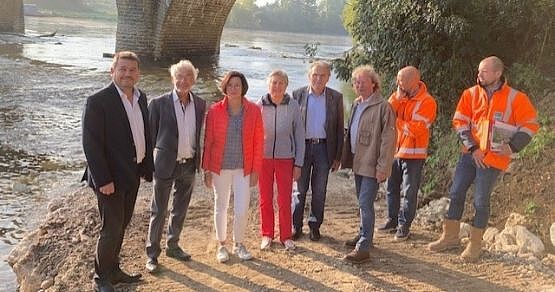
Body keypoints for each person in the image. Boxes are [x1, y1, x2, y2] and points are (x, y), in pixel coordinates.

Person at [428, 56, 539, 262]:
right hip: (470, 154)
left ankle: (475, 245)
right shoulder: (470, 94)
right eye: (479, 71)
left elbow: (531, 124)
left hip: (494, 159)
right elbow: (460, 122)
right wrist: (473, 148)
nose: (479, 75)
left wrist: (513, 146)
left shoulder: (516, 98)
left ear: (497, 74)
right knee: (456, 192)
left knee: (480, 200)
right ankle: (450, 237)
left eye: (484, 72)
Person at [82, 51, 153, 292]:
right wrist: (103, 180)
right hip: (109, 178)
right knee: (110, 227)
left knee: (122, 224)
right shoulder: (98, 100)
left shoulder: (141, 97)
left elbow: (144, 134)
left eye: (132, 70)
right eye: (122, 69)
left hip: (131, 174)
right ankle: (101, 277)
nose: (127, 74)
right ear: (112, 71)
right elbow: (90, 144)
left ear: (138, 74)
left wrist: (145, 167)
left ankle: (114, 270)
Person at [145, 60, 206, 273]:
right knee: (158, 210)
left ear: (194, 80)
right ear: (173, 79)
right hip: (164, 164)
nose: (183, 80)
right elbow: (149, 137)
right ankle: (152, 254)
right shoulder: (158, 103)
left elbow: (198, 134)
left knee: (180, 209)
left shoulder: (199, 103)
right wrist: (145, 166)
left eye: (188, 77)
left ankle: (173, 245)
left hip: (189, 165)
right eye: (179, 76)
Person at [202, 71, 263, 263]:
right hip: (219, 167)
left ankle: (239, 244)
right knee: (221, 206)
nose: (233, 88)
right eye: (230, 85)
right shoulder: (214, 111)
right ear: (225, 88)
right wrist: (206, 169)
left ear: (243, 87)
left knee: (242, 208)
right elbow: (208, 140)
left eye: (237, 85)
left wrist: (256, 170)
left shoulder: (253, 110)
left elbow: (258, 142)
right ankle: (222, 245)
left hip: (243, 168)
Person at [341, 65, 396, 263]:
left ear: (374, 83)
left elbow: (389, 140)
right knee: (361, 202)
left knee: (365, 203)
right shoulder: (356, 104)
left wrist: (383, 167)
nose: (359, 85)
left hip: (372, 165)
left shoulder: (384, 107)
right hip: (358, 162)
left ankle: (364, 247)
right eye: (356, 82)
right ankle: (365, 234)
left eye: (363, 82)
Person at [379, 66, 437, 241]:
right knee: (391, 189)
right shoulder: (399, 96)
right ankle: (392, 220)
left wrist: (395, 121)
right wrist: (397, 97)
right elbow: (386, 112)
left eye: (401, 80)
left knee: (409, 192)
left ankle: (404, 226)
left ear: (413, 82)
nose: (398, 83)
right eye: (398, 80)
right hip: (395, 152)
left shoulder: (427, 102)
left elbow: (415, 130)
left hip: (414, 156)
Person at [292, 61, 344, 241]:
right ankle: (295, 226)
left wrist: (338, 156)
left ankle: (314, 226)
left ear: (328, 78)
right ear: (309, 76)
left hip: (324, 148)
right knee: (299, 190)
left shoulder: (336, 98)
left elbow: (339, 129)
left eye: (322, 75)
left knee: (319, 190)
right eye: (315, 75)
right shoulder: (297, 95)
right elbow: (292, 126)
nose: (318, 79)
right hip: (302, 148)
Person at [257, 70, 305, 251]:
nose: (276, 86)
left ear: (286, 85)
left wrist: (298, 163)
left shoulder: (293, 106)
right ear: (268, 84)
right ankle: (267, 234)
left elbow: (300, 135)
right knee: (265, 198)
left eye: (280, 83)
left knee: (285, 199)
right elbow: (253, 135)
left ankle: (286, 236)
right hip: (264, 159)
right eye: (273, 83)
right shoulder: (259, 105)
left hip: (286, 158)